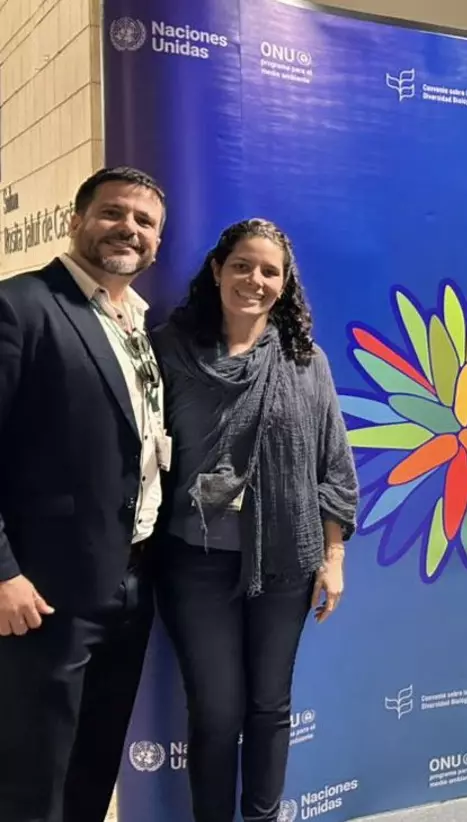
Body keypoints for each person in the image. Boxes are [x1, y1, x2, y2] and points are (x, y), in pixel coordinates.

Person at [150, 218, 358, 822]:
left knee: (269, 705)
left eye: (270, 271)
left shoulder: (304, 361)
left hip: (286, 563)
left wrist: (334, 556)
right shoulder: (168, 352)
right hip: (195, 563)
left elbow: (334, 464)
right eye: (242, 265)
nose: (255, 280)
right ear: (217, 270)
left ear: (284, 283)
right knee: (215, 712)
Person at [0, 166, 168, 822]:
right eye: (113, 213)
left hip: (129, 583)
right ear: (77, 222)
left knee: (92, 769)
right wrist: (4, 573)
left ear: (157, 242)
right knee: (30, 778)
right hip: (43, 592)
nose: (128, 228)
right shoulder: (21, 307)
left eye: (144, 221)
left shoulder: (140, 325)